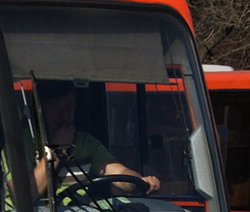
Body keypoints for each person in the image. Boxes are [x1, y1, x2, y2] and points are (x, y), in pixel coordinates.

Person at [24, 83, 160, 200]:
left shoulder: (85, 142)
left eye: (69, 106)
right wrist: (55, 150)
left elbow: (118, 172)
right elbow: (26, 195)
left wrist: (140, 181)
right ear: (40, 109)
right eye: (56, 107)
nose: (64, 114)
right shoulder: (23, 142)